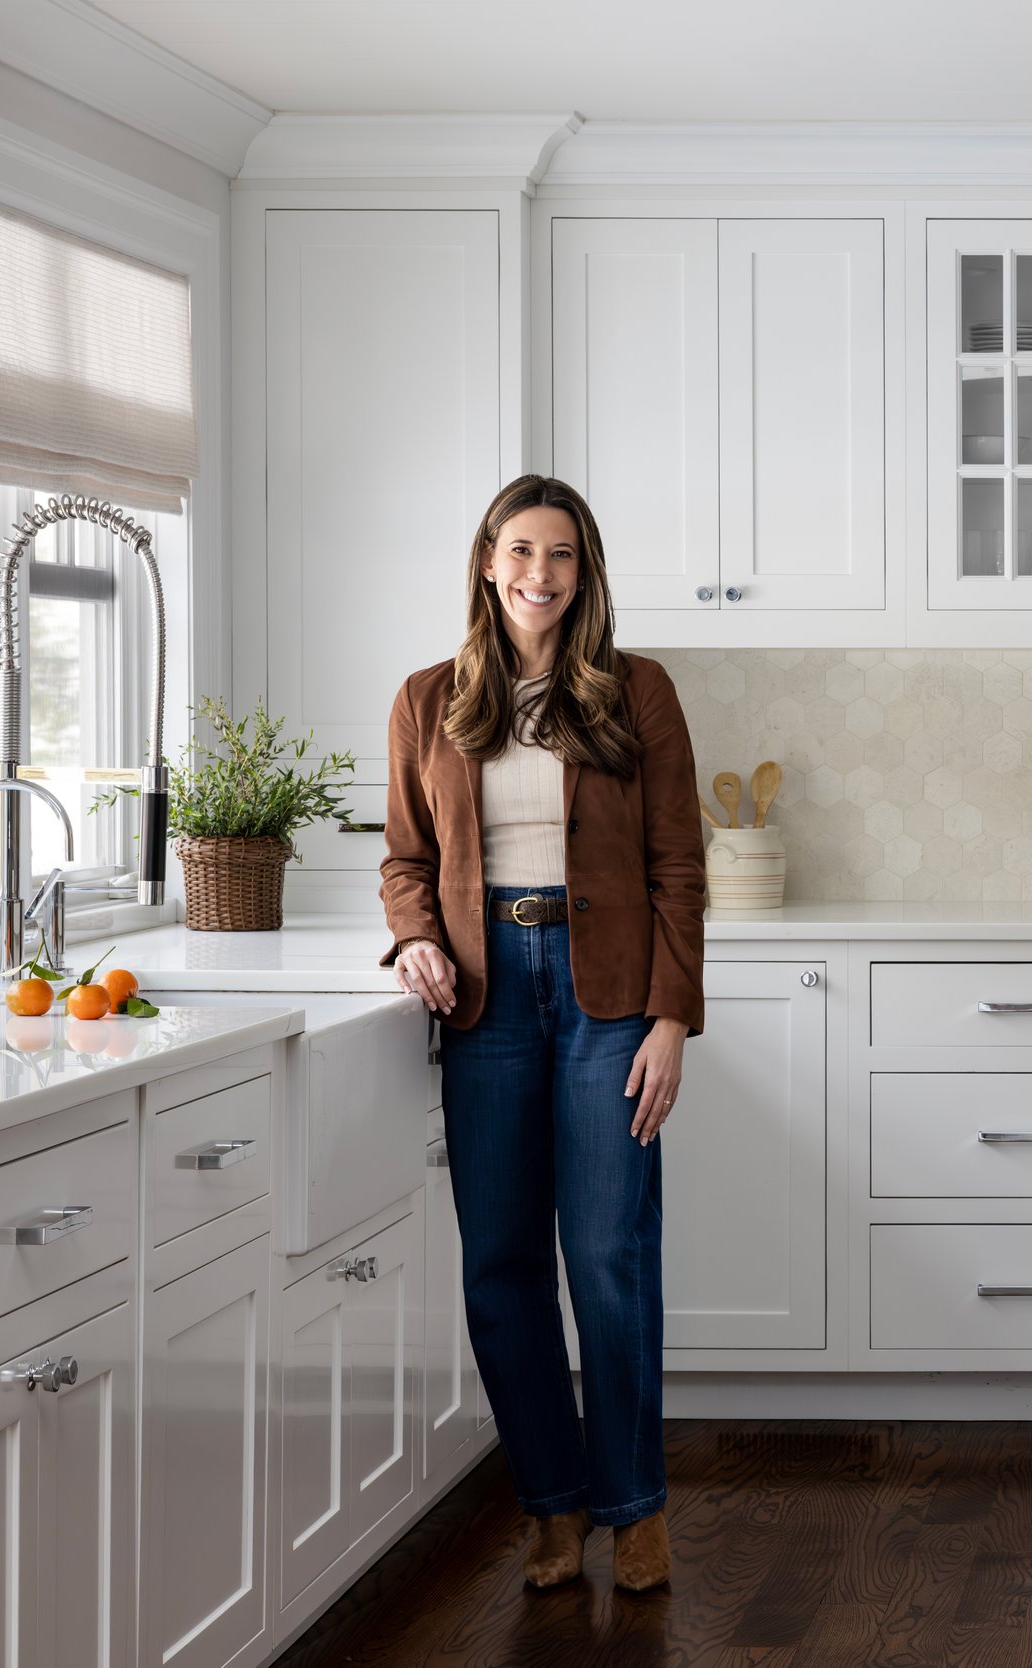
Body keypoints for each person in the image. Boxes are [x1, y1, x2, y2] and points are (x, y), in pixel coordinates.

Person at [379, 473, 704, 1590]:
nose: (540, 574)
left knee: (610, 1254)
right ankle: (554, 1508)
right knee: (500, 1265)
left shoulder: (637, 692)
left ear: (585, 571)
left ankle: (634, 1506)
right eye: (521, 550)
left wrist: (671, 1016)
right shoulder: (428, 700)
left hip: (607, 990)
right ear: (485, 560)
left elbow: (677, 866)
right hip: (485, 996)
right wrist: (414, 937)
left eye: (561, 555)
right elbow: (404, 861)